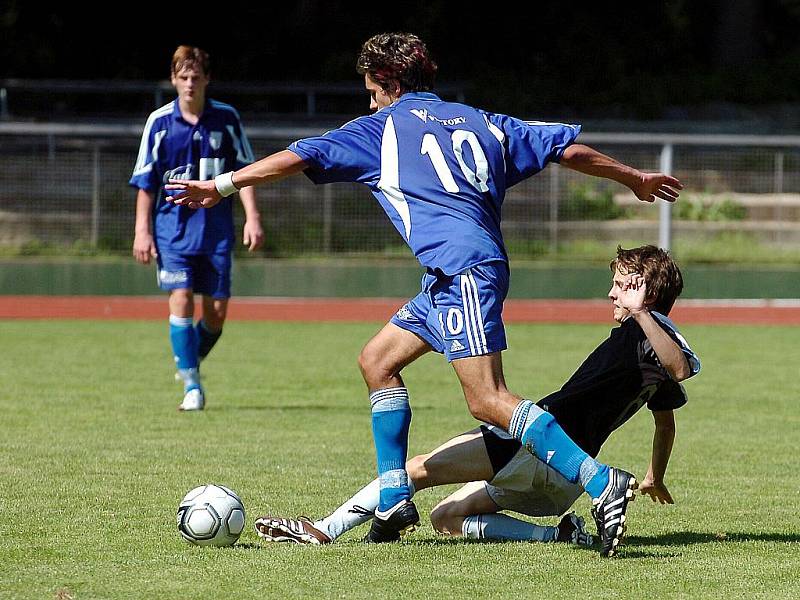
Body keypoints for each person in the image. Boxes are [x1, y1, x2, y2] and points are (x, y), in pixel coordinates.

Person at [165, 33, 684, 556]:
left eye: (373, 90)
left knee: (488, 399)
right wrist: (633, 177)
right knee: (376, 361)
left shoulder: (378, 129)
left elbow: (297, 158)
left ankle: (599, 483)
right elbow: (565, 149)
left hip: (464, 271)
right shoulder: (482, 121)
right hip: (445, 278)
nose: (369, 101)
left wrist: (222, 186)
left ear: (390, 84)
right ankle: (393, 496)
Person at [252, 246, 700, 550]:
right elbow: (665, 421)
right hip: (561, 487)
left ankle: (323, 531)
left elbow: (679, 366)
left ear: (648, 290)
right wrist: (654, 476)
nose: (612, 293)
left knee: (413, 471)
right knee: (445, 517)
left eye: (623, 284)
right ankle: (558, 537)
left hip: (539, 448)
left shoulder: (647, 340)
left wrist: (641, 312)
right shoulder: (647, 358)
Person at [130, 45, 264, 411]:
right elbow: (145, 182)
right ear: (174, 79)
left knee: (216, 314)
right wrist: (142, 231)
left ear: (207, 79)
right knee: (182, 298)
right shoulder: (159, 123)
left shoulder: (227, 119)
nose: (189, 83)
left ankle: (187, 360)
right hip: (172, 230)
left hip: (216, 231)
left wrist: (252, 217)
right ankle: (192, 385)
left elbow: (246, 173)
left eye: (196, 76)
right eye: (183, 77)